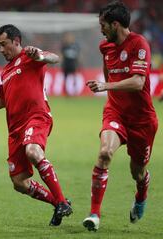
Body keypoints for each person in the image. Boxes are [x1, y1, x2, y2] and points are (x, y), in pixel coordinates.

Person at [0, 24, 72, 226]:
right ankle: (58, 203)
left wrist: (40, 56)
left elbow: (55, 58)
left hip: (37, 117)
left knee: (33, 152)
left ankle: (61, 201)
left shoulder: (30, 57)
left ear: (16, 41)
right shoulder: (5, 71)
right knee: (19, 182)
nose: (1, 50)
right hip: (15, 130)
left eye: (4, 44)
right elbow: (2, 102)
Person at [83, 1, 158, 231]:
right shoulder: (105, 47)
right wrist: (108, 89)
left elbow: (138, 83)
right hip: (115, 111)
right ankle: (94, 214)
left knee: (137, 172)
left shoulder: (139, 44)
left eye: (103, 25)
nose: (101, 29)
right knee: (104, 153)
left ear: (116, 24)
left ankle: (141, 192)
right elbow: (109, 74)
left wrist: (106, 85)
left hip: (142, 120)